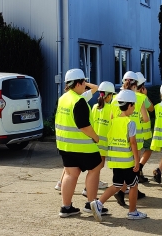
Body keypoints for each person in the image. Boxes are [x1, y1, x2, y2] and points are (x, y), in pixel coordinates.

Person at [55, 69, 103, 220]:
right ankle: (91, 204)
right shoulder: (79, 101)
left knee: (70, 174)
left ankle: (66, 207)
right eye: (83, 83)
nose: (85, 86)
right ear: (78, 83)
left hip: (65, 145)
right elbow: (83, 125)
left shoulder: (64, 98)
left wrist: (81, 82)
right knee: (95, 168)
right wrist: (96, 137)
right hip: (83, 146)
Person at [96, 89, 148, 220]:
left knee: (117, 185)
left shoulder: (113, 121)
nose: (134, 108)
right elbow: (133, 143)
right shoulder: (130, 123)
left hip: (115, 161)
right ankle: (133, 212)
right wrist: (137, 161)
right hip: (127, 161)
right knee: (133, 185)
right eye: (134, 105)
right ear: (129, 105)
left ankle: (98, 203)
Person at [77, 81, 116, 198]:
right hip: (104, 143)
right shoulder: (112, 108)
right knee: (97, 168)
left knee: (95, 167)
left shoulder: (94, 107)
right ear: (109, 96)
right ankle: (87, 189)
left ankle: (89, 187)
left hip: (95, 142)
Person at [115, 71, 150, 198]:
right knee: (135, 166)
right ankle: (129, 190)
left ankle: (122, 189)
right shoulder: (140, 98)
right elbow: (146, 118)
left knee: (124, 166)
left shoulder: (116, 98)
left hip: (120, 137)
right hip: (136, 137)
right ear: (136, 85)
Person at [135, 72, 154, 183]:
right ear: (142, 86)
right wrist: (145, 95)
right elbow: (151, 108)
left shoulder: (126, 96)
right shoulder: (142, 97)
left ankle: (137, 171)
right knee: (148, 149)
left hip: (131, 131)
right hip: (144, 131)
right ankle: (140, 167)